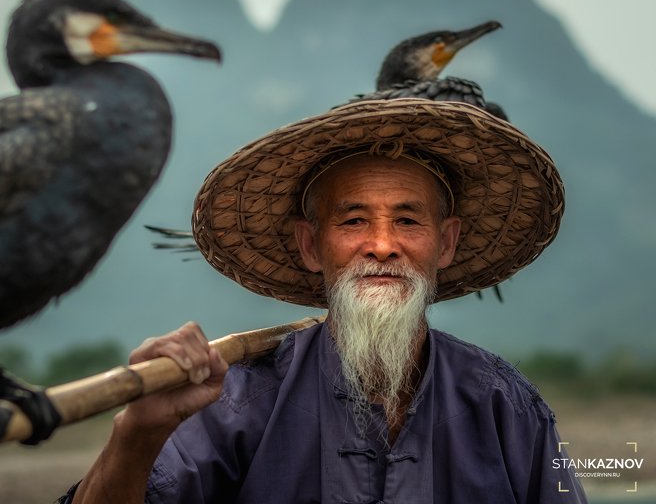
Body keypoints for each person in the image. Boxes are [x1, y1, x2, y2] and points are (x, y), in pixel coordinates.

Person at [61, 99, 587, 503]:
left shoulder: (504, 405)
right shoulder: (238, 403)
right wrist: (137, 432)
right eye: (353, 220)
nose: (382, 244)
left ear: (445, 243)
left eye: (407, 220)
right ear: (311, 246)